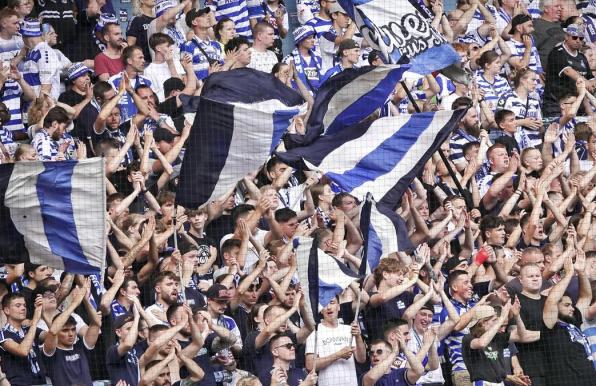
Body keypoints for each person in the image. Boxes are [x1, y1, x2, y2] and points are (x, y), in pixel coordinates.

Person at [542, 251, 595, 385]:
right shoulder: (551, 326)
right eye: (566, 305)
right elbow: (551, 300)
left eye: (571, 304)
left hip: (588, 380)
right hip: (565, 381)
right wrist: (569, 274)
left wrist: (581, 272)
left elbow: (586, 297)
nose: (572, 308)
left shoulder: (574, 321)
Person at [304, 297, 366, 386]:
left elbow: (362, 359)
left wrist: (358, 336)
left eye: (332, 303)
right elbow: (310, 365)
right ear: (321, 310)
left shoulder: (349, 329)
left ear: (338, 307)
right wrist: (339, 355)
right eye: (325, 304)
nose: (328, 307)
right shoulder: (315, 332)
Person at [544, 23, 595, 116]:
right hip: (555, 104)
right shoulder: (557, 53)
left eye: (581, 38)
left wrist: (591, 85)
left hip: (578, 103)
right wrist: (586, 83)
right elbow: (568, 71)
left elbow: (591, 78)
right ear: (566, 36)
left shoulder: (582, 57)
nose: (578, 41)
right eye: (575, 37)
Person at [0, 293, 46, 386]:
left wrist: (44, 314)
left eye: (24, 305)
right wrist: (35, 319)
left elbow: (54, 337)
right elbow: (23, 351)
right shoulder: (2, 334)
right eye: (18, 305)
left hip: (42, 382)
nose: (23, 308)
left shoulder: (30, 329)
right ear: (7, 310)